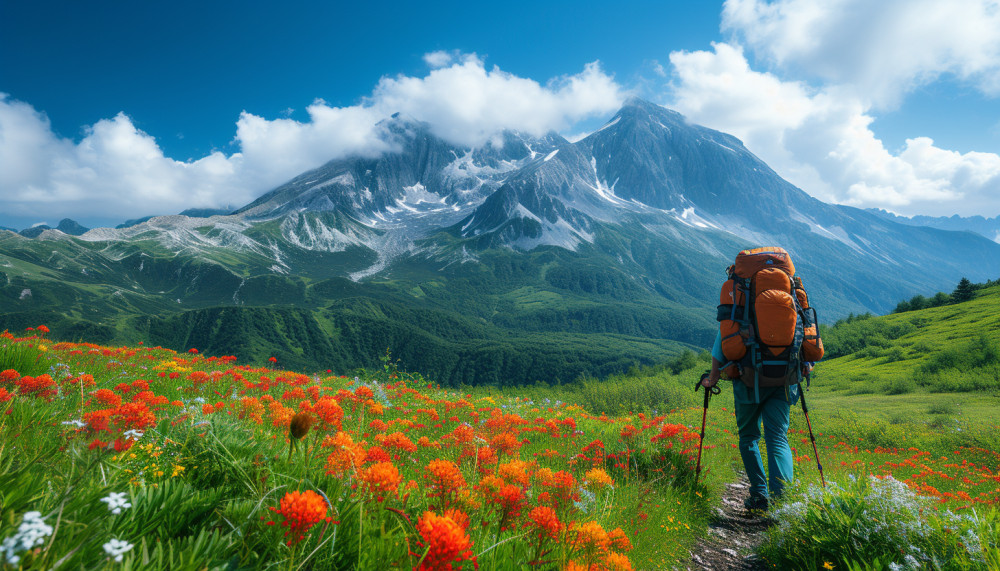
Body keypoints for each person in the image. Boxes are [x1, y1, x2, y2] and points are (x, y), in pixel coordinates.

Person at [701, 332, 809, 512]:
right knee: (778, 439)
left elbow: (721, 342)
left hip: (747, 380)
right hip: (783, 381)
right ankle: (782, 503)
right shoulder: (790, 303)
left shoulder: (741, 304)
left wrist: (712, 378)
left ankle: (759, 496)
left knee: (748, 437)